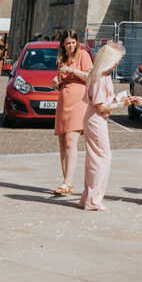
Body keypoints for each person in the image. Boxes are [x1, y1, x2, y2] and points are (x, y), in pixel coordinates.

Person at [78, 41, 133, 211]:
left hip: (94, 118)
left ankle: (89, 196)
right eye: (116, 60)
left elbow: (102, 102)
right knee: (102, 158)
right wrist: (121, 105)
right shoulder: (101, 77)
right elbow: (101, 106)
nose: (118, 63)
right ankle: (93, 199)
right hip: (96, 118)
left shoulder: (101, 75)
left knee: (95, 158)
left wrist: (117, 100)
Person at [52, 29, 94, 197]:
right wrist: (55, 82)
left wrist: (73, 72)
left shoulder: (83, 55)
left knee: (71, 140)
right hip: (64, 100)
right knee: (62, 141)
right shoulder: (62, 59)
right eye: (68, 43)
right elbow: (60, 81)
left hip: (78, 101)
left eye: (73, 42)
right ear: (63, 44)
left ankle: (68, 182)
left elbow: (90, 76)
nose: (71, 46)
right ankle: (66, 182)